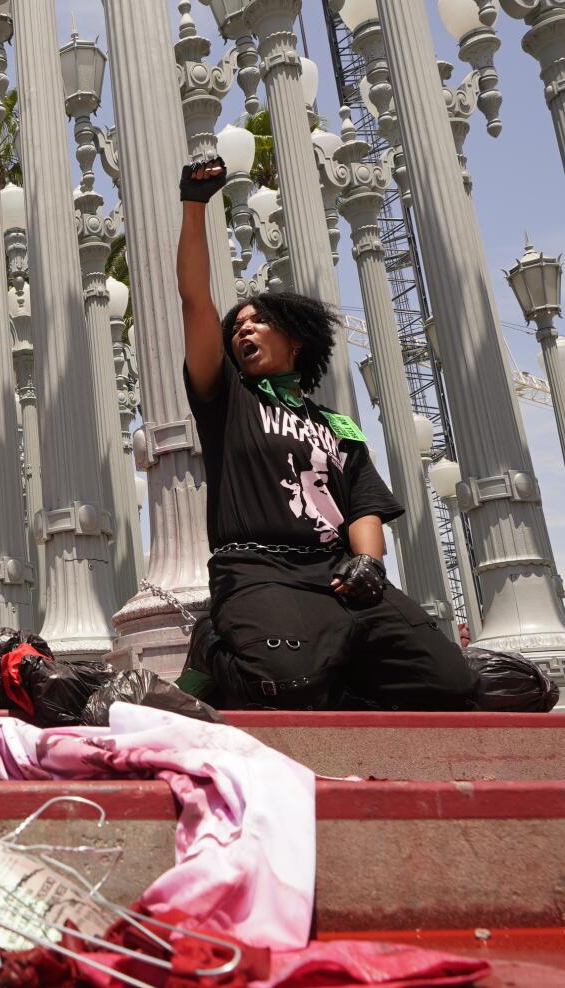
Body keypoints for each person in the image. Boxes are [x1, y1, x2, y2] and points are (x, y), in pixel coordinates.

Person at [176, 156, 478, 710]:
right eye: (236, 327)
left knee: (451, 683)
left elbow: (363, 503)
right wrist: (195, 206)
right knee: (283, 684)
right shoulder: (228, 398)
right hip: (259, 570)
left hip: (340, 574)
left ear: (296, 340)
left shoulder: (336, 424)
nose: (242, 329)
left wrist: (369, 564)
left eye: (257, 321)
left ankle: (333, 675)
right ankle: (213, 646)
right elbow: (195, 302)